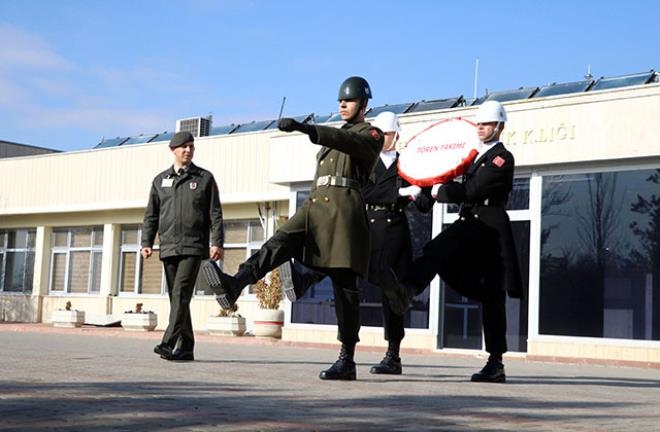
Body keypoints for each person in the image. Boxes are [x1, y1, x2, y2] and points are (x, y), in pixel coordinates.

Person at [202, 76, 383, 380]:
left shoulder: (371, 134)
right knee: (278, 242)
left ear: (363, 105)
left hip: (343, 212)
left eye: (348, 100)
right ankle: (235, 284)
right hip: (315, 207)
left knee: (344, 287)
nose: (342, 104)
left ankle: (347, 357)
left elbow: (349, 142)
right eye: (340, 100)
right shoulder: (333, 136)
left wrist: (307, 129)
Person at [381, 100, 523, 382]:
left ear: (500, 126)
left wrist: (438, 192)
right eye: (479, 123)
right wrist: (422, 188)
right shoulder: (473, 157)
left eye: (488, 124)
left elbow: (472, 190)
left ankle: (496, 362)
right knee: (439, 254)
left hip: (488, 227)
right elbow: (448, 174)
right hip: (470, 223)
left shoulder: (502, 158)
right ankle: (407, 290)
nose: (481, 128)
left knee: (491, 295)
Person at [141, 131, 224, 362]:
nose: (188, 150)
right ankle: (186, 347)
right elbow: (151, 215)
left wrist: (217, 241)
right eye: (184, 147)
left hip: (193, 247)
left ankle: (168, 342)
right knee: (178, 299)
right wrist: (146, 242)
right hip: (168, 248)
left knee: (180, 294)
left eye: (191, 146)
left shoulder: (204, 178)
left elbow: (215, 214)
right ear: (173, 150)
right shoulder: (160, 181)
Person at [362, 111, 433, 375]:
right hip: (368, 227)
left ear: (397, 135)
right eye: (378, 134)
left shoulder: (408, 164)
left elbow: (424, 205)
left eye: (387, 134)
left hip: (395, 232)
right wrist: (399, 192)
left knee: (392, 293)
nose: (381, 139)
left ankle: (393, 354)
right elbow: (363, 192)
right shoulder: (365, 163)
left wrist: (428, 186)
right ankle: (346, 351)